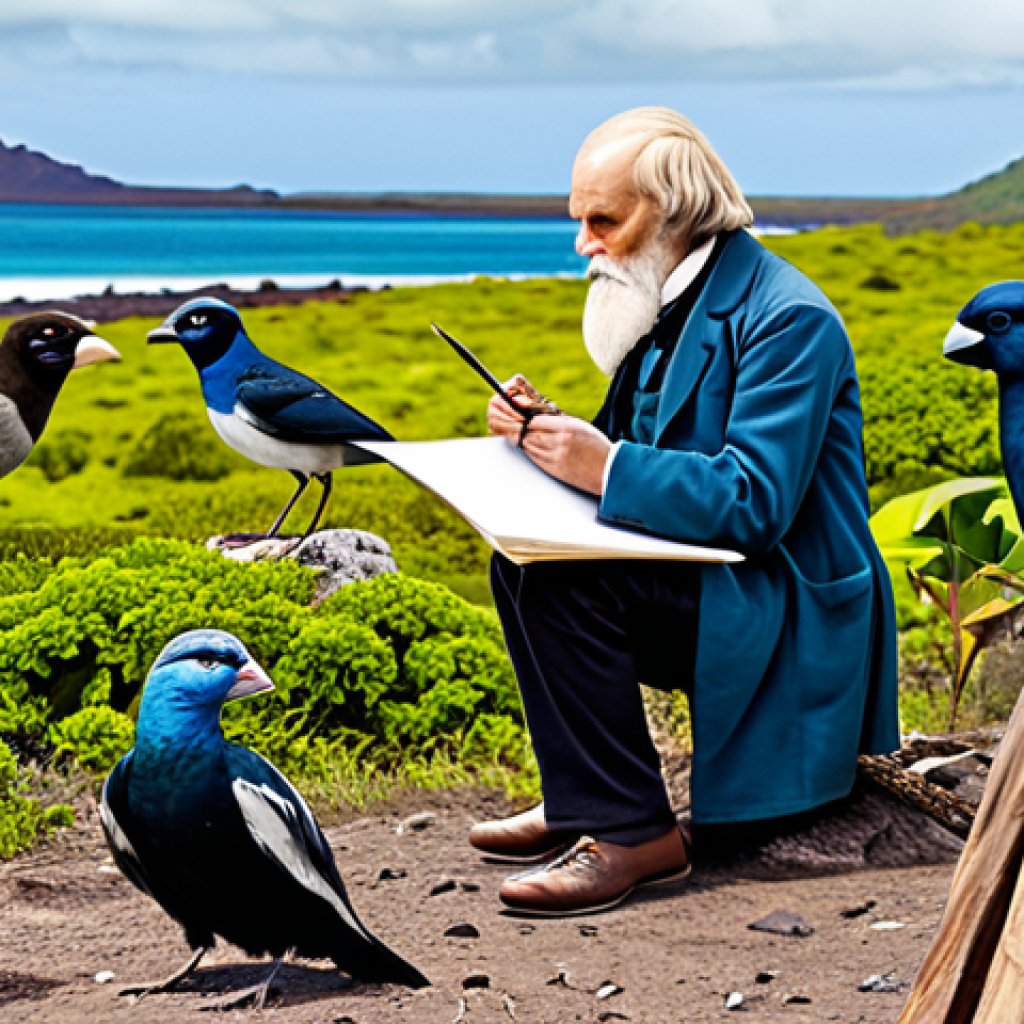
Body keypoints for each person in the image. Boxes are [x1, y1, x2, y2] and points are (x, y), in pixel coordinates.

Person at [473, 106, 900, 916]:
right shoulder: (668, 293)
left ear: (674, 212)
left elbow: (752, 504)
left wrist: (601, 464)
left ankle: (636, 836)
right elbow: (648, 445)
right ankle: (583, 798)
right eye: (581, 220)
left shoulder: (789, 318)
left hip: (784, 603)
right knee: (522, 564)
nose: (584, 244)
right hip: (720, 583)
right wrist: (553, 433)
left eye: (605, 220)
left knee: (572, 587)